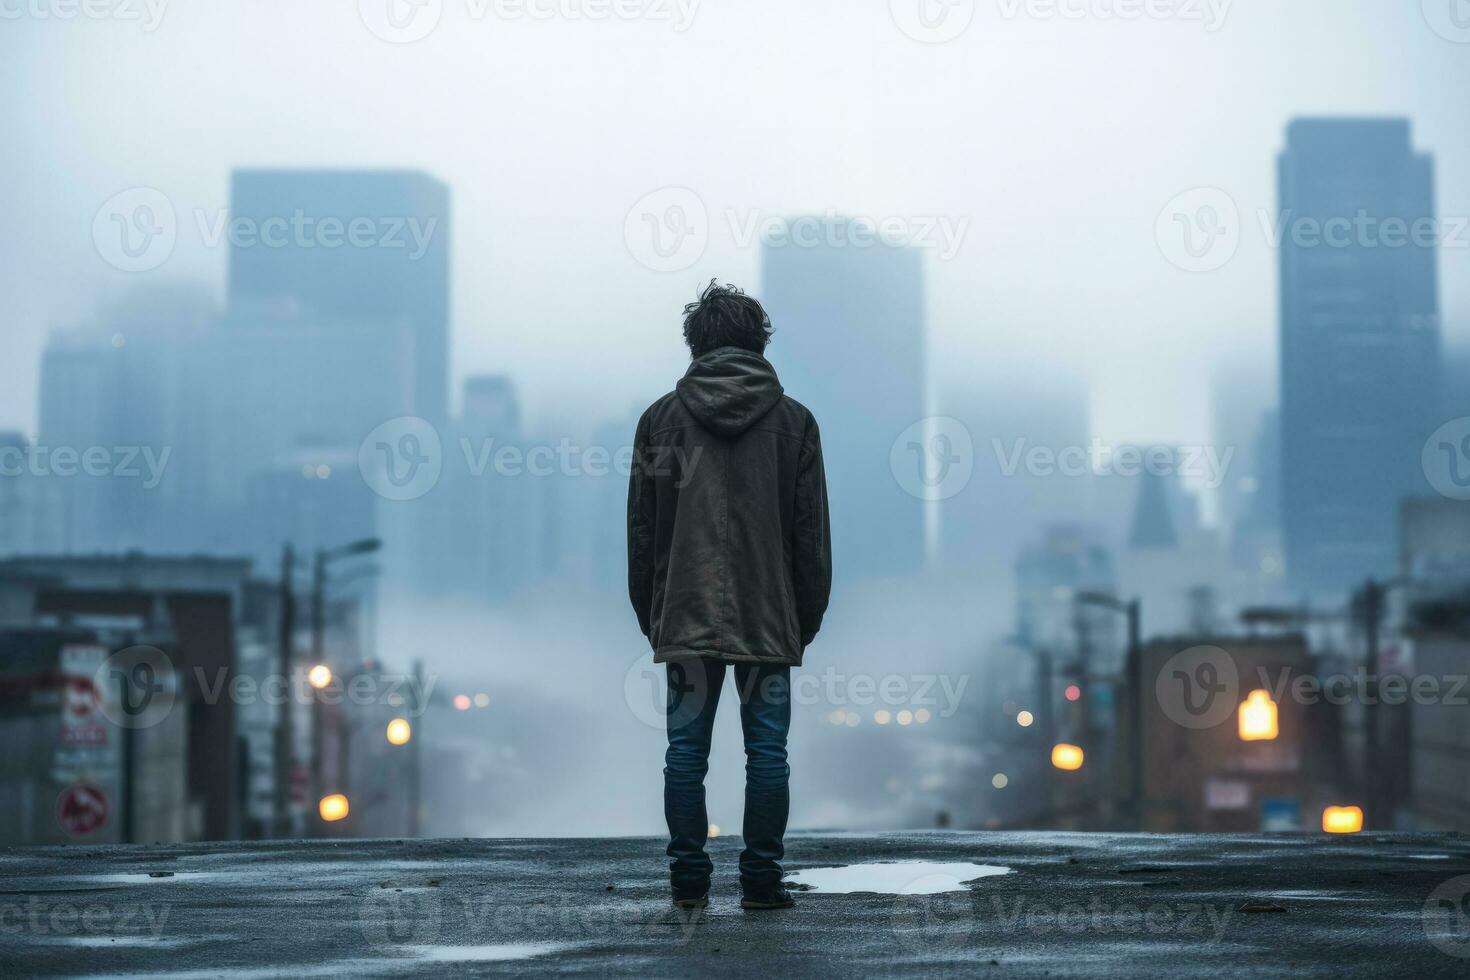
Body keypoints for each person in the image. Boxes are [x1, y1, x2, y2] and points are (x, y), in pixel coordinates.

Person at [627, 280, 832, 911]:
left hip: (684, 612)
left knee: (685, 751)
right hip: (770, 613)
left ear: (696, 342)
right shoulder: (795, 422)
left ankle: (689, 883)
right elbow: (810, 533)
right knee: (767, 751)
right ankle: (761, 884)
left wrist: (653, 615)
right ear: (757, 340)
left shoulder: (661, 420)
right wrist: (805, 616)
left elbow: (643, 530)